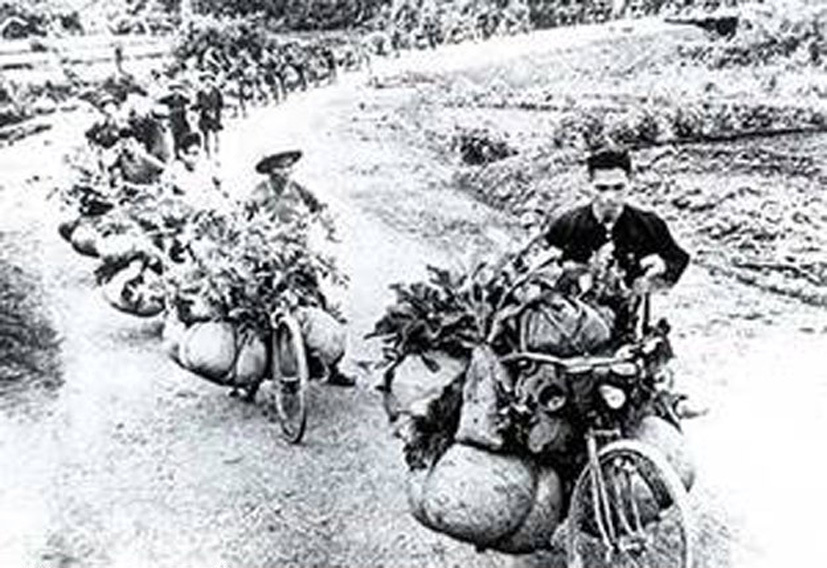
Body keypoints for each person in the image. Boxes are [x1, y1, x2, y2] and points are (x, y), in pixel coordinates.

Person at [249, 150, 355, 387]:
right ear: (270, 170)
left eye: (289, 167)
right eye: (281, 167)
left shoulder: (298, 190)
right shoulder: (259, 194)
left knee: (318, 305)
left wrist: (329, 227)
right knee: (262, 315)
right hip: (269, 262)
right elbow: (244, 222)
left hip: (297, 259)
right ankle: (255, 378)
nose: (287, 171)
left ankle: (332, 367)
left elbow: (319, 208)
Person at [540, 145, 689, 297]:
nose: (609, 197)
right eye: (601, 188)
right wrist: (570, 272)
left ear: (630, 181)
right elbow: (541, 267)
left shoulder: (649, 224)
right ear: (588, 183)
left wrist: (662, 267)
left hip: (629, 307)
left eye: (618, 187)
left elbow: (678, 259)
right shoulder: (568, 224)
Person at [164, 131, 224, 209]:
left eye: (198, 154)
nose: (196, 158)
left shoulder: (205, 168)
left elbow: (219, 188)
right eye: (193, 153)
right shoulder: (174, 171)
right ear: (181, 153)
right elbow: (167, 197)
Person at [194, 72, 223, 159]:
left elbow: (221, 103)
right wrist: (200, 110)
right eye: (205, 80)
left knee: (216, 134)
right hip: (204, 116)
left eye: (210, 79)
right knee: (206, 135)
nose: (208, 81)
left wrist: (215, 111)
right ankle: (207, 152)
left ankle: (217, 151)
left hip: (215, 116)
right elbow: (197, 105)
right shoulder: (200, 93)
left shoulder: (216, 91)